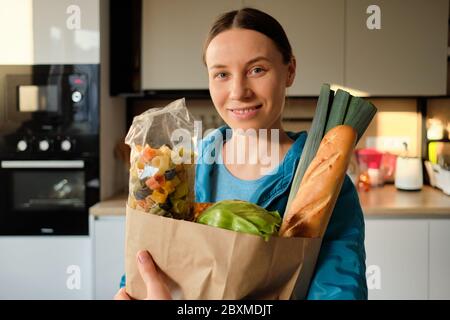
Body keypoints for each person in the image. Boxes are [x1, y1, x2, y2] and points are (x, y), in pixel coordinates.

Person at [115, 7, 367, 300]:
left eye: (257, 70)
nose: (238, 91)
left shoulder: (326, 183)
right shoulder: (184, 169)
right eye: (221, 74)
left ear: (290, 71)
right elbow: (147, 260)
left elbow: (339, 291)